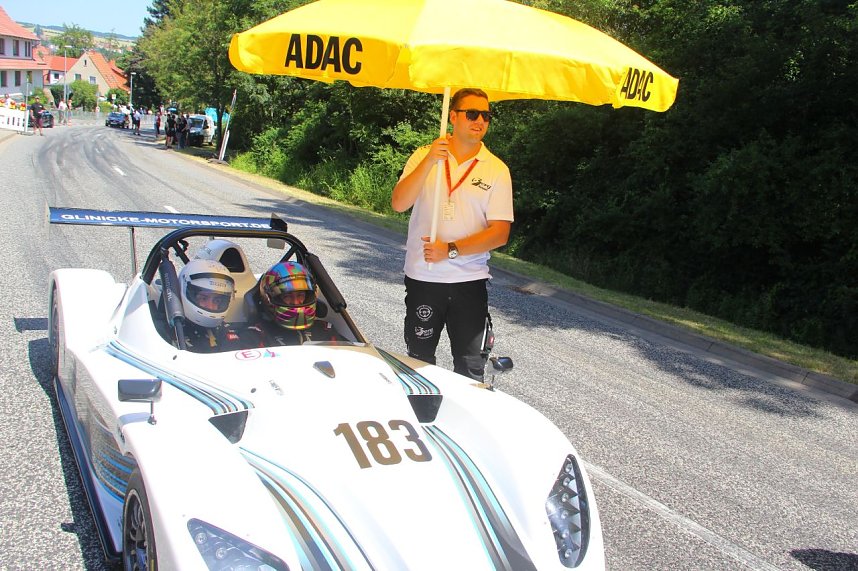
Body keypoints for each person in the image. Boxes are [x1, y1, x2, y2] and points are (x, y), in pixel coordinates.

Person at [391, 88, 513, 381]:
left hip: (468, 282)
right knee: (418, 363)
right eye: (472, 113)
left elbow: (500, 233)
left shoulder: (496, 170)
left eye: (486, 115)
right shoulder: (424, 155)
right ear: (453, 116)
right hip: (424, 277)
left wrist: (451, 249)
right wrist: (430, 160)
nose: (480, 120)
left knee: (471, 367)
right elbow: (399, 204)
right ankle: (421, 418)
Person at [251, 261, 343, 345]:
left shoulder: (325, 329)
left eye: (300, 295)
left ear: (309, 296)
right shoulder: (257, 334)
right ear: (268, 299)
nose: (295, 302)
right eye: (287, 296)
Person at [177, 259, 239, 352]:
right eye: (203, 298)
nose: (210, 306)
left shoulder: (223, 331)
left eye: (217, 300)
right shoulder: (171, 330)